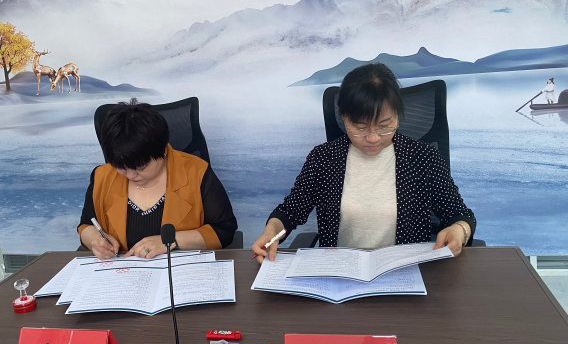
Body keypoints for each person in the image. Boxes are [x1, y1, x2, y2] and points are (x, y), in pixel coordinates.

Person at [252, 63, 476, 262]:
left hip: (406, 272)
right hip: (340, 271)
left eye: (384, 126)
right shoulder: (323, 158)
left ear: (398, 115)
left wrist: (460, 231)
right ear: (343, 116)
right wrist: (272, 234)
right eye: (360, 127)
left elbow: (459, 214)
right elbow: (290, 213)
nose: (373, 137)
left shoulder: (423, 158)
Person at [79, 99, 237, 259]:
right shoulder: (102, 176)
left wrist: (171, 241)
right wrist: (95, 240)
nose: (130, 176)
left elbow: (224, 231)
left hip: (180, 270)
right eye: (121, 167)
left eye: (141, 168)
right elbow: (87, 225)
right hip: (122, 271)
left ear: (163, 151)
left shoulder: (197, 172)